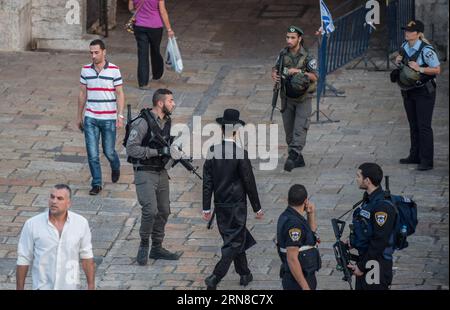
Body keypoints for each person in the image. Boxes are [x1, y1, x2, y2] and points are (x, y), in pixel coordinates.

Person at [202, 109, 264, 290]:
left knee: (236, 238)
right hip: (237, 206)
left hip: (220, 205)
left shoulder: (212, 151)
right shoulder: (240, 153)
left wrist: (206, 207)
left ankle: (245, 273)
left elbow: (207, 182)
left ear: (222, 130)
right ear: (236, 131)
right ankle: (215, 276)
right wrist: (257, 208)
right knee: (233, 242)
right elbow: (249, 182)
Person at [126, 88, 182, 265]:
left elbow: (166, 144)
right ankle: (144, 245)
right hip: (144, 172)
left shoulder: (167, 122)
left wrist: (173, 153)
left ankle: (157, 247)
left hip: (161, 172)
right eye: (170, 100)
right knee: (150, 210)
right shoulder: (142, 123)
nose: (173, 104)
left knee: (164, 210)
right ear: (160, 103)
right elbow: (131, 148)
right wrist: (156, 151)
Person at [16, 184, 95, 290]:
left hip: (70, 286)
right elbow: (23, 258)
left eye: (59, 198)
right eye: (52, 197)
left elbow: (86, 256)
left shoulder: (81, 223)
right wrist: (19, 288)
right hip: (42, 286)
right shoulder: (32, 224)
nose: (54, 201)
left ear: (68, 203)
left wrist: (91, 285)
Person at [77, 39, 125, 195]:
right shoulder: (85, 70)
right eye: (91, 52)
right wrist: (79, 116)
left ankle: (115, 166)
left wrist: (120, 115)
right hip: (91, 117)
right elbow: (82, 93)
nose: (93, 55)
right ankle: (96, 183)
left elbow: (119, 93)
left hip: (109, 118)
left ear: (104, 52)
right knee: (92, 153)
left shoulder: (114, 70)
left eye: (96, 52)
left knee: (109, 151)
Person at [394, 20, 441, 171]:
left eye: (410, 30)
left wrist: (419, 68)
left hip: (424, 92)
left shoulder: (426, 50)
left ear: (418, 33)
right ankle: (414, 155)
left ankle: (426, 161)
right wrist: (398, 62)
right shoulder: (404, 46)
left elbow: (437, 70)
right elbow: (404, 67)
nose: (406, 32)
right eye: (406, 30)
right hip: (409, 90)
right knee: (413, 124)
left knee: (424, 126)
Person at [271, 26, 318, 172]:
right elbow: (275, 68)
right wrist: (274, 74)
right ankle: (298, 158)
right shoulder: (283, 53)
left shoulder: (308, 57)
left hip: (303, 98)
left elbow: (315, 76)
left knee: (300, 128)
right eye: (287, 37)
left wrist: (299, 71)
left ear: (299, 39)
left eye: (292, 37)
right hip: (286, 97)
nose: (289, 40)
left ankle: (292, 156)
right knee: (289, 131)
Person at [348, 163, 396, 290]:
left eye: (358, 176)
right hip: (367, 258)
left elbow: (379, 241)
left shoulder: (382, 207)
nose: (356, 179)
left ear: (367, 181)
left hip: (376, 264)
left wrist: (362, 266)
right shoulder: (369, 199)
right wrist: (353, 241)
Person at [276, 184, 320, 290]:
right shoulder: (294, 224)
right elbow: (292, 258)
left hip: (303, 274)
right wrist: (305, 287)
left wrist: (311, 213)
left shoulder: (290, 216)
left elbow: (311, 232)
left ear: (288, 199)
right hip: (298, 280)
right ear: (305, 201)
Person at [128, 0, 175, 89]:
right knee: (155, 50)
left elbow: (130, 8)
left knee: (142, 54)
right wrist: (169, 29)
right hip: (155, 26)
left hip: (139, 25)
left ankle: (143, 83)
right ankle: (157, 73)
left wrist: (140, 12)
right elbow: (162, 11)